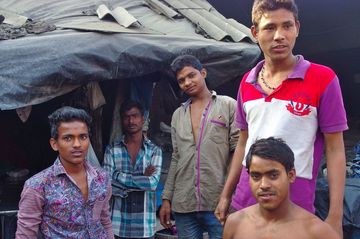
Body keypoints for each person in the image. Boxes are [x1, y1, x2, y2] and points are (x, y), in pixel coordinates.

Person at [215, 0, 348, 237]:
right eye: (269, 27)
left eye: (287, 26)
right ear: (255, 33)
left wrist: (335, 215)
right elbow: (243, 143)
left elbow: (335, 149)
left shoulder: (323, 79)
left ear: (297, 27)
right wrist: (226, 195)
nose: (279, 36)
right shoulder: (247, 82)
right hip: (245, 203)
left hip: (295, 210)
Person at [159, 55, 239, 239]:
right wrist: (166, 198)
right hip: (184, 203)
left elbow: (237, 151)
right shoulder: (178, 115)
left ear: (203, 73)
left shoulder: (228, 105)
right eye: (181, 80)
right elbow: (176, 158)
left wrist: (229, 195)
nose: (187, 83)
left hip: (218, 202)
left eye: (191, 75)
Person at [16, 106, 114, 239]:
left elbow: (105, 221)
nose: (77, 144)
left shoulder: (102, 178)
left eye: (83, 137)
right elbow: (26, 235)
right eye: (68, 138)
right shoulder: (37, 186)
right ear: (54, 144)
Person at [223, 137, 340, 239]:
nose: (264, 185)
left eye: (273, 175)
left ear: (291, 175)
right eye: (256, 176)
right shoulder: (235, 224)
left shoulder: (318, 232)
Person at [103, 100, 162, 239]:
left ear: (143, 119)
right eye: (126, 117)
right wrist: (142, 177)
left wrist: (117, 175)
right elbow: (106, 184)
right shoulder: (112, 149)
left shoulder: (154, 151)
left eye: (135, 116)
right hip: (118, 225)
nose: (131, 120)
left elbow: (152, 184)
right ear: (122, 120)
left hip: (145, 226)